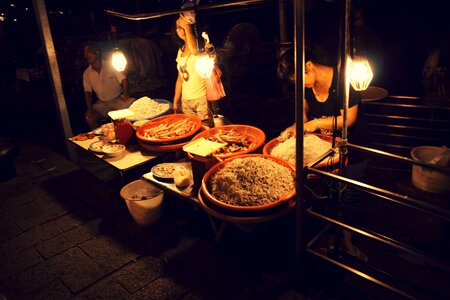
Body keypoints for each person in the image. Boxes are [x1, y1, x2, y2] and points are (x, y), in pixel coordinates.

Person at [278, 45, 371, 261]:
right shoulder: (307, 88)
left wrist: (315, 124)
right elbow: (303, 116)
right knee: (330, 194)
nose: (298, 85)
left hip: (355, 147)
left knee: (350, 196)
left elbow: (348, 119)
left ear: (307, 66)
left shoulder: (343, 79)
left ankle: (347, 242)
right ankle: (329, 237)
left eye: (296, 79)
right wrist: (293, 128)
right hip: (328, 151)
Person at [171, 10, 213, 127]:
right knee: (192, 129)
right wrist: (176, 100)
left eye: (184, 26)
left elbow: (194, 50)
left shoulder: (200, 46)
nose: (181, 30)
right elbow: (180, 79)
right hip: (186, 100)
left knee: (205, 128)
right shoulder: (181, 50)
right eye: (178, 27)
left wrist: (187, 27)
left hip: (201, 97)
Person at [82, 43, 133, 130]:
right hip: (102, 104)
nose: (86, 54)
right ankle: (100, 140)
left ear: (97, 52)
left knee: (133, 107)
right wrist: (89, 109)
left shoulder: (111, 64)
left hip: (118, 101)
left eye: (88, 51)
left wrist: (126, 93)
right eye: (84, 52)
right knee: (90, 117)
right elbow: (87, 92)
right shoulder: (87, 73)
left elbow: (124, 80)